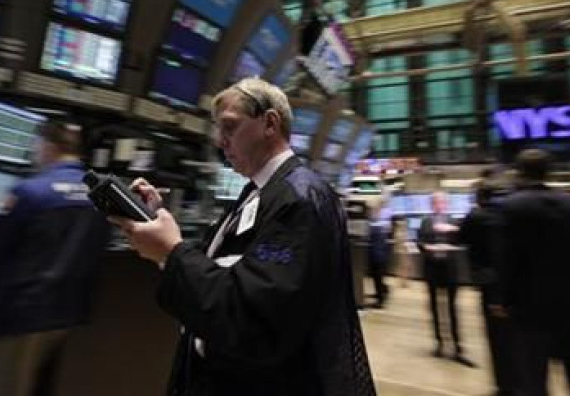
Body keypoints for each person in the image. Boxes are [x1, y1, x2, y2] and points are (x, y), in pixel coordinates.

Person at [111, 78, 376, 396]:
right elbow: (224, 266)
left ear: (269, 123)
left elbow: (253, 316)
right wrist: (160, 226)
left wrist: (171, 252)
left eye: (230, 127)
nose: (221, 141)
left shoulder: (299, 198)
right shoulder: (259, 191)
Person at [0, 120, 111, 396]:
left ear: (48, 146)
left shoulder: (30, 191)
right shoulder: (98, 195)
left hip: (21, 312)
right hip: (66, 312)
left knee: (1, 387)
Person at [497, 149, 570, 396]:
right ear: (548, 172)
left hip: (530, 309)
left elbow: (507, 259)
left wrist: (503, 300)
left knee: (534, 379)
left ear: (519, 173)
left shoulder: (510, 206)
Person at [459, 181, 520, 395]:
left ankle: (504, 386)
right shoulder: (507, 215)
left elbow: (461, 238)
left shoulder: (475, 217)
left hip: (489, 286)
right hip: (514, 284)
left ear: (477, 197)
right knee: (515, 337)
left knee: (496, 338)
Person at [418, 191, 474, 366]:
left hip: (450, 271)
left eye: (442, 202)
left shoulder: (453, 221)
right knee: (435, 308)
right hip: (433, 270)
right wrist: (427, 248)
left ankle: (457, 346)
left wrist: (453, 231)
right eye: (436, 202)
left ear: (446, 203)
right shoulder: (425, 221)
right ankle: (439, 343)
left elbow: (463, 240)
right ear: (431, 204)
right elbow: (419, 242)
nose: (439, 204)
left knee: (452, 309)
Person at [367, 199, 391, 308]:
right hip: (380, 254)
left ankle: (380, 300)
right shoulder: (381, 223)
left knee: (377, 277)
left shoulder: (377, 224)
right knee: (378, 277)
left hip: (377, 255)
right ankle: (382, 293)